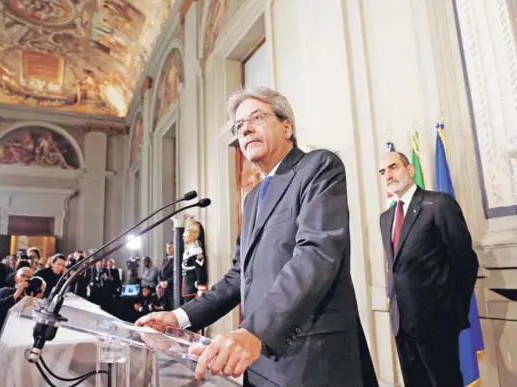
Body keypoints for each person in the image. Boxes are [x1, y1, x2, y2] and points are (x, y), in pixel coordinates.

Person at [137, 87, 374, 386]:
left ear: (286, 126)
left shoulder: (318, 168)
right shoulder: (251, 199)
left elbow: (316, 256)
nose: (245, 129)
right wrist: (181, 317)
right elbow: (239, 276)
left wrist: (256, 331)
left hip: (311, 359)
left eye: (256, 118)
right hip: (258, 360)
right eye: (239, 126)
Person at [378, 152, 479, 387]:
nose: (389, 176)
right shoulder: (386, 217)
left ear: (410, 169)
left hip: (437, 321)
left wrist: (451, 309)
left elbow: (465, 261)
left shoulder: (438, 203)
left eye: (393, 168)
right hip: (401, 323)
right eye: (383, 172)